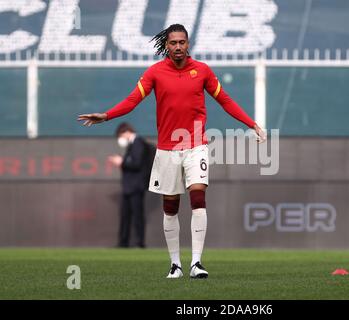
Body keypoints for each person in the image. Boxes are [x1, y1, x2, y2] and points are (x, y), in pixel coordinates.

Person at [78, 24, 266, 279]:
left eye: (182, 42)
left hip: (196, 146)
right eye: (173, 43)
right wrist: (107, 116)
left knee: (198, 197)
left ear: (188, 44)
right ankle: (175, 264)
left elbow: (225, 100)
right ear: (166, 45)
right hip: (167, 150)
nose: (178, 47)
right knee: (171, 207)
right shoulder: (155, 73)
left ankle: (196, 263)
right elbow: (133, 100)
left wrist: (251, 124)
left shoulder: (202, 71)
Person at [108, 122, 156, 248]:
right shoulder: (132, 145)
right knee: (125, 216)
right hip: (128, 186)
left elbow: (136, 163)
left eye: (120, 135)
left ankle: (140, 243)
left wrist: (121, 162)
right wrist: (123, 162)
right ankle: (123, 243)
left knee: (137, 216)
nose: (120, 139)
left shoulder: (138, 142)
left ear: (126, 132)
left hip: (136, 186)